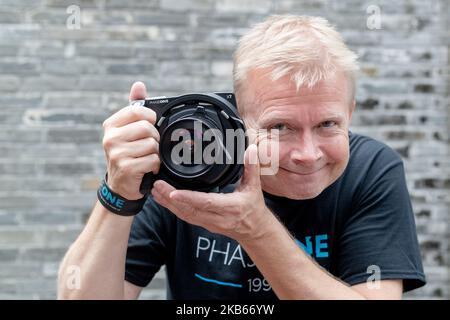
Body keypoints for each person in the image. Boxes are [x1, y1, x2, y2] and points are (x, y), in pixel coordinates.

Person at [58, 15, 425, 299]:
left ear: (351, 111)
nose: (307, 154)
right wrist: (118, 194)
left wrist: (256, 230)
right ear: (238, 119)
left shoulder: (371, 169)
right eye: (280, 127)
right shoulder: (186, 167)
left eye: (329, 124)